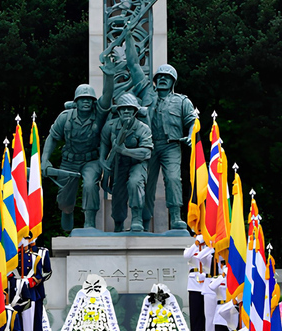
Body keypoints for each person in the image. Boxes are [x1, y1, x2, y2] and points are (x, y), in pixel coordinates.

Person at [123, 34, 197, 230]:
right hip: (148, 146)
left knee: (173, 179)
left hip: (171, 145)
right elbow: (133, 65)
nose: (163, 79)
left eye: (167, 77)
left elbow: (193, 120)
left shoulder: (182, 101)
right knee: (145, 183)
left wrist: (190, 135)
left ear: (173, 81)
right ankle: (139, 220)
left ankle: (175, 218)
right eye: (160, 77)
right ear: (155, 80)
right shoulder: (147, 92)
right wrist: (129, 36)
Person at [42, 58, 115, 231]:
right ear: (76, 101)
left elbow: (107, 97)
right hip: (70, 161)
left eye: (89, 99)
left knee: (90, 184)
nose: (86, 102)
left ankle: (89, 221)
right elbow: (52, 138)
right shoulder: (65, 117)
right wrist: (45, 160)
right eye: (82, 99)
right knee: (65, 199)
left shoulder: (98, 115)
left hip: (91, 160)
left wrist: (110, 77)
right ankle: (67, 211)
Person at [99, 93, 153, 232]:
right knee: (118, 194)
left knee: (135, 183)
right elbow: (104, 144)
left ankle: (137, 219)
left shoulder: (143, 128)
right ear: (118, 111)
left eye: (130, 109)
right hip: (119, 164)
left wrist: (124, 150)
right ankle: (118, 224)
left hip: (137, 163)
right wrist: (102, 160)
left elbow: (146, 153)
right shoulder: (110, 126)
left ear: (135, 111)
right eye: (123, 109)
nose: (127, 111)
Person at [31, 237, 52, 331]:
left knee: (37, 315)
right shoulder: (18, 252)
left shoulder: (42, 252)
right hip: (21, 289)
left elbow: (48, 271)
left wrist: (39, 279)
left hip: (37, 289)